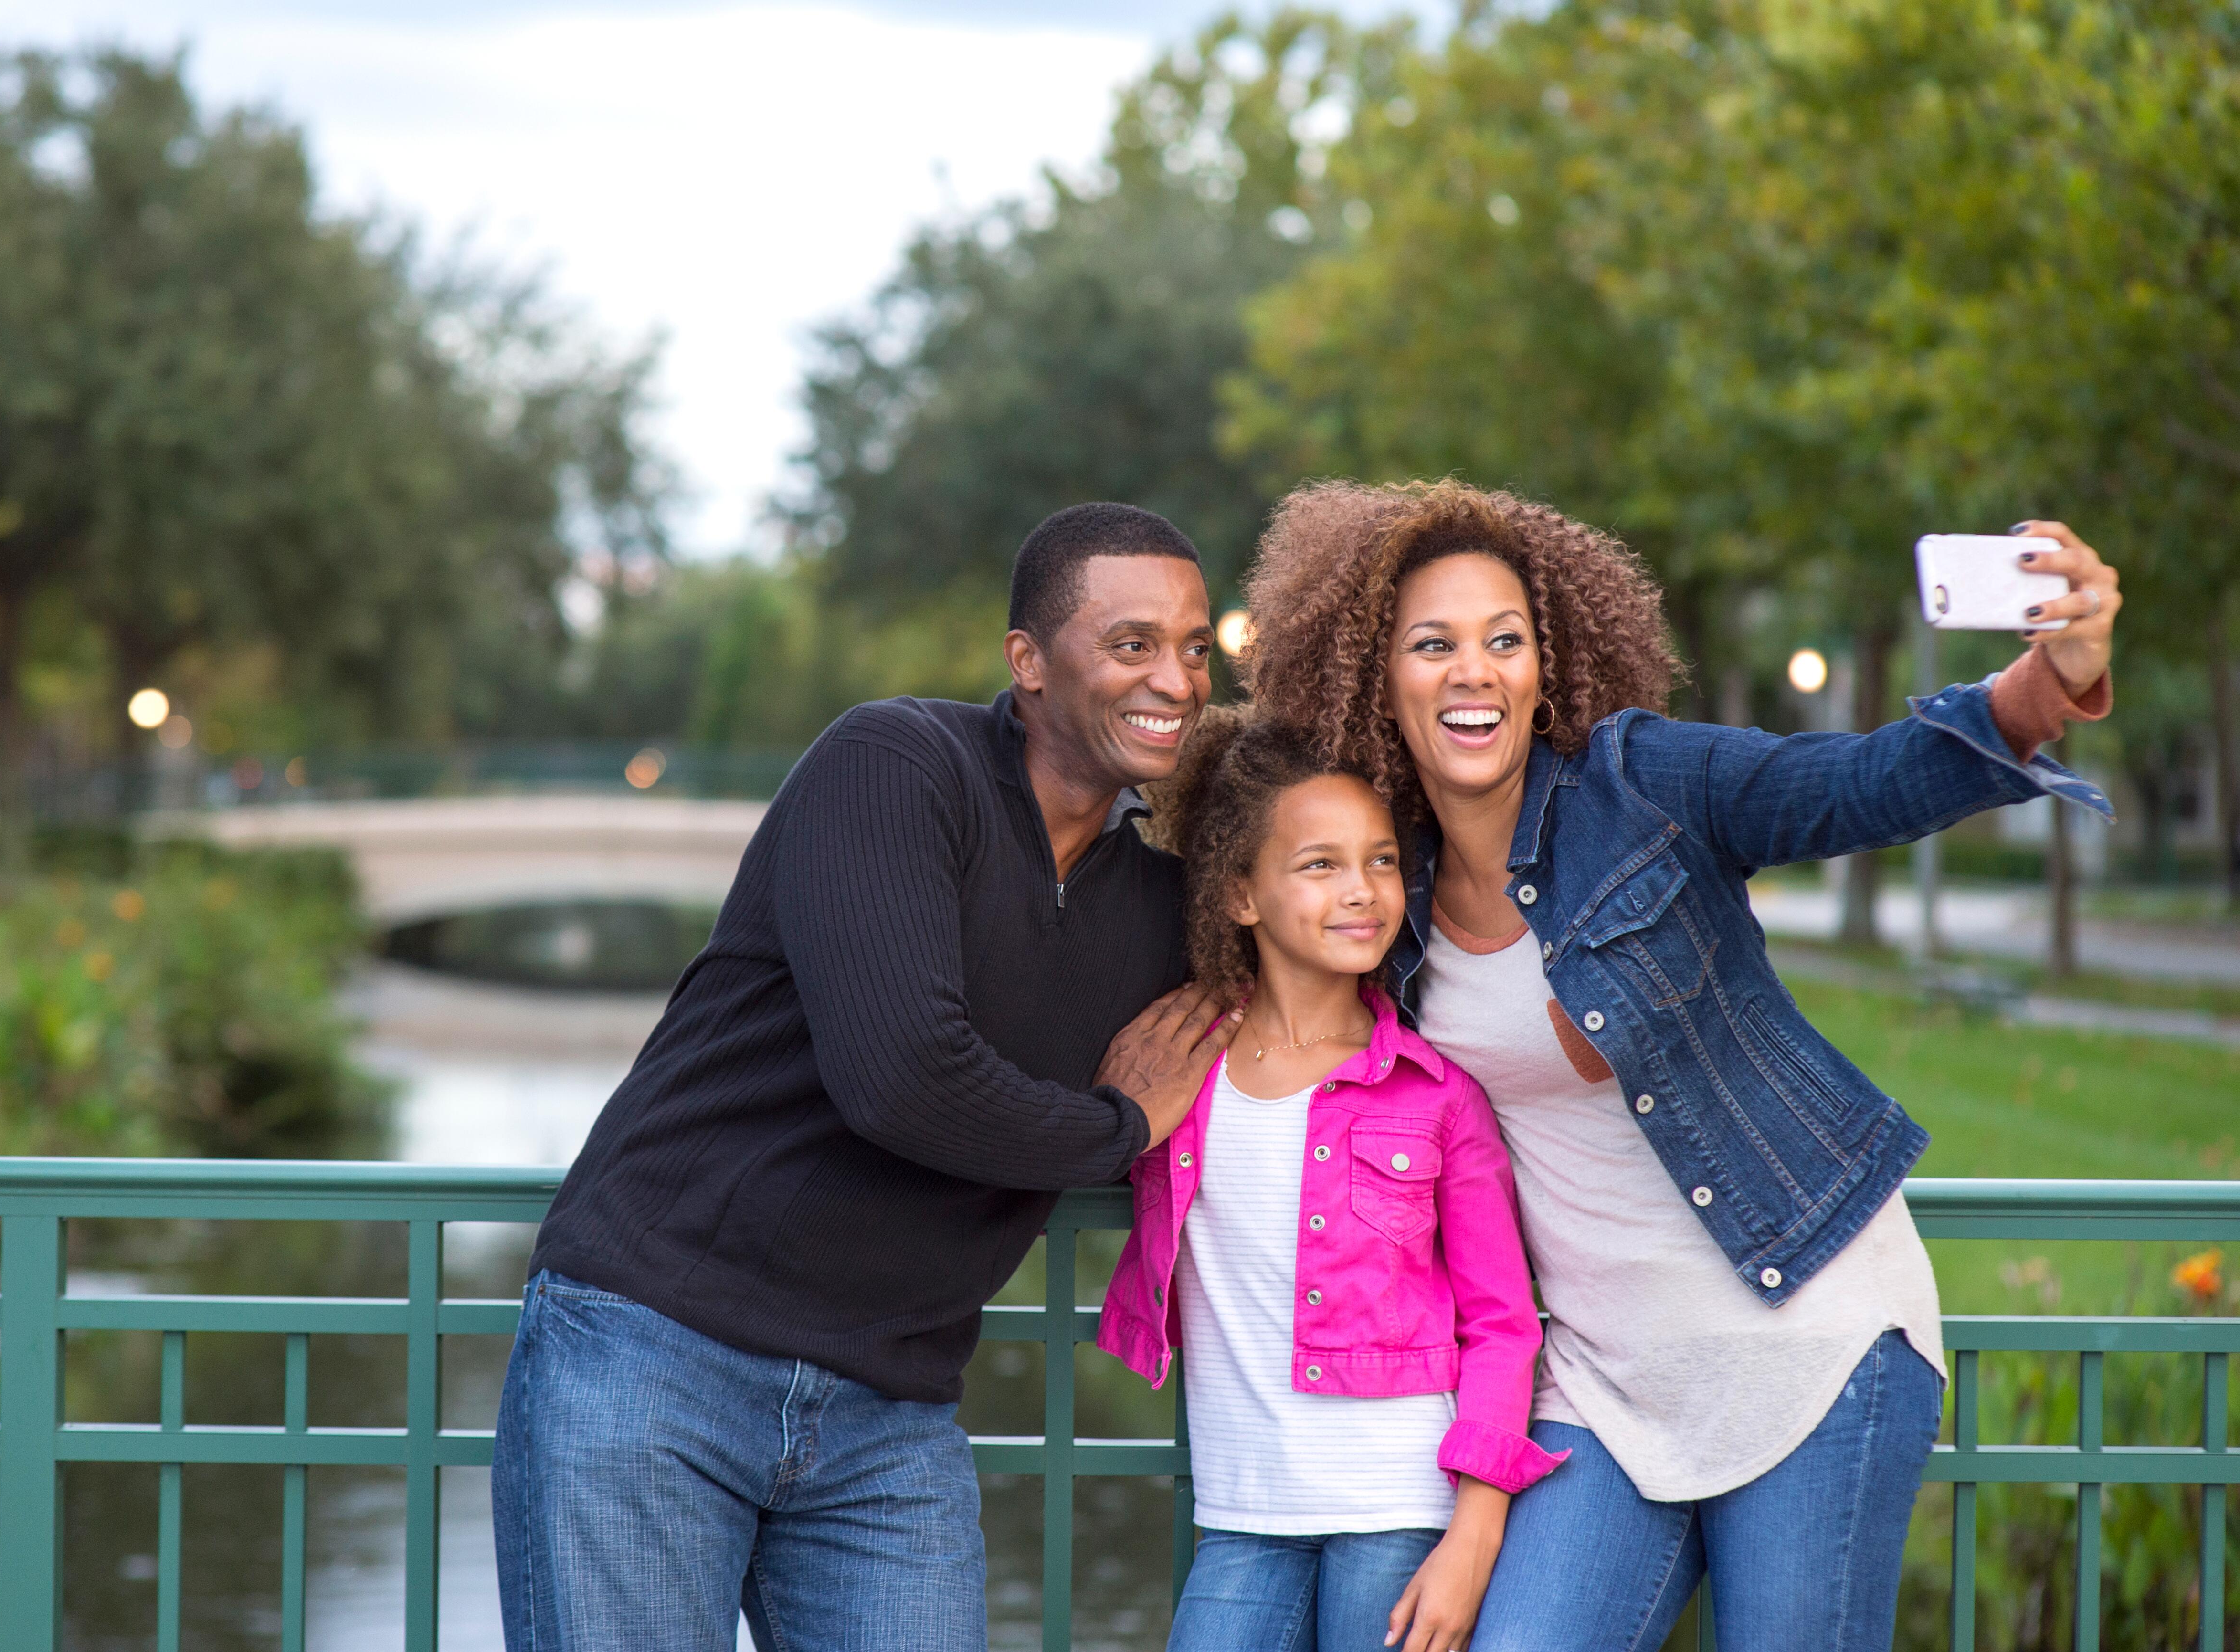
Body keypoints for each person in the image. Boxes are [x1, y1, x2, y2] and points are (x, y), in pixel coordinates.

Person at [1238, 480, 2118, 1652]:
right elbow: (1258, 945)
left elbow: (1855, 783)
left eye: (1505, 641)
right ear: (1374, 678)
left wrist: (2043, 685)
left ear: (1543, 668)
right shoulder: (1385, 897)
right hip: (1598, 1391)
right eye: (1432, 644)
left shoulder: (1641, 783)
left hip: (1806, 1339)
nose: (1472, 671)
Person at [492, 502, 1239, 1652]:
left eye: (1196, 648)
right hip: (654, 1348)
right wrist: (1119, 1127)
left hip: (889, 1410)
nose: (1177, 680)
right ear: (1027, 663)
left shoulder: (1155, 907)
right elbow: (899, 1081)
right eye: (1131, 643)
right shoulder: (894, 767)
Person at [1097, 708, 1561, 1652]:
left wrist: (1473, 1534)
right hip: (1238, 1515)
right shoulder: (1177, 1071)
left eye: (1381, 861)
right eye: (1320, 866)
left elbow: (1503, 1325)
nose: (1362, 892)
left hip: (1399, 1514)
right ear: (1239, 895)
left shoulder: (1437, 1096)